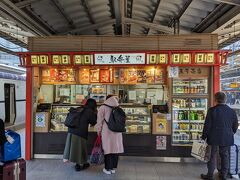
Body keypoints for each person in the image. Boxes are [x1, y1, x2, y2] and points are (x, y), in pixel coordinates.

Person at [201, 92, 239, 180]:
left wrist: (203, 137)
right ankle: (223, 175)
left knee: (212, 155)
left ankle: (210, 175)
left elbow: (207, 125)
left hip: (213, 137)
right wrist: (231, 132)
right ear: (225, 100)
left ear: (215, 99)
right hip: (226, 137)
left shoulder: (212, 110)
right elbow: (235, 125)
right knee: (224, 155)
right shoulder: (231, 111)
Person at [63, 98, 97, 171]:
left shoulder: (79, 108)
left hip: (71, 131)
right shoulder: (90, 111)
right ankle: (80, 164)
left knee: (74, 149)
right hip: (80, 132)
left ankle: (78, 164)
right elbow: (93, 122)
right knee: (81, 148)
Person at [96, 95, 124, 175]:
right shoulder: (118, 107)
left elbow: (99, 122)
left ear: (107, 99)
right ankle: (113, 168)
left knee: (108, 150)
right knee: (115, 150)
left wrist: (98, 131)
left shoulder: (102, 108)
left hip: (107, 132)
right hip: (117, 132)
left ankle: (107, 168)